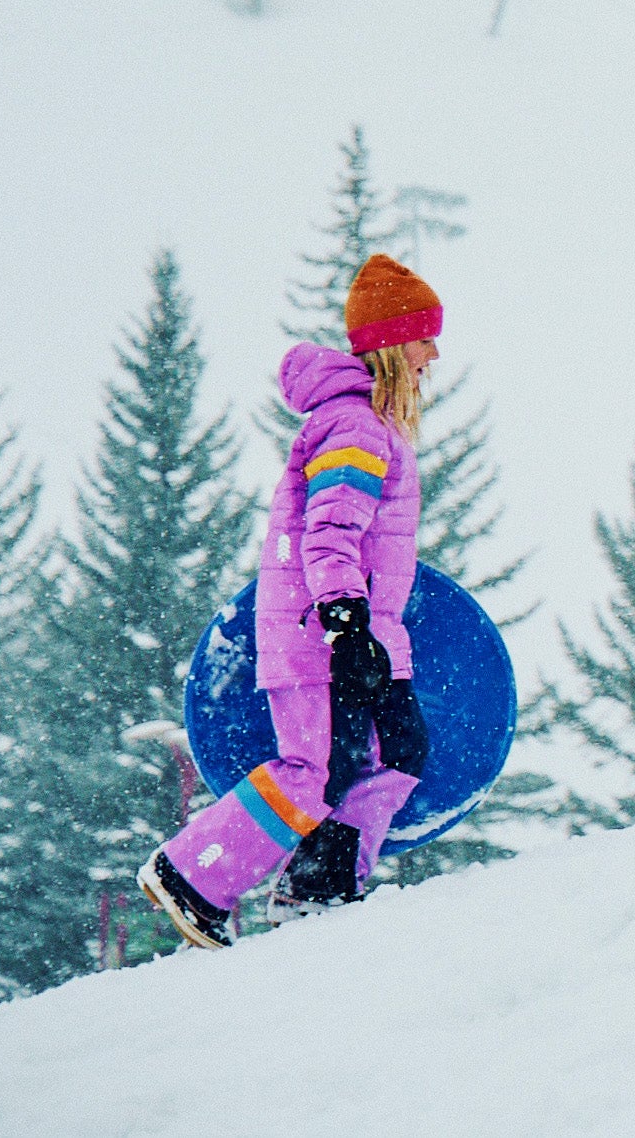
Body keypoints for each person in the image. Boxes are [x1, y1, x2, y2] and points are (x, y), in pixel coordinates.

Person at [136, 255, 440, 949]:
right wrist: (344, 622)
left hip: (366, 635)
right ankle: (190, 874)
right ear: (395, 345)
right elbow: (329, 530)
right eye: (424, 337)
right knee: (310, 774)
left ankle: (321, 887)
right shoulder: (356, 428)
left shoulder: (373, 427)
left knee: (398, 753)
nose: (434, 353)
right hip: (326, 636)